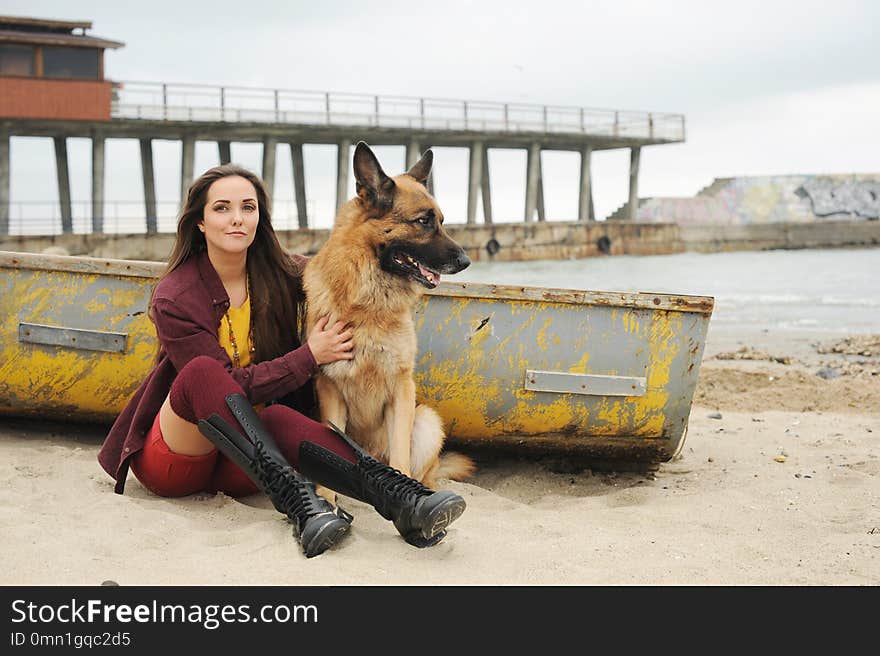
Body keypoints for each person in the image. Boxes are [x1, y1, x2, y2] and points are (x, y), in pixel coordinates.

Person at [98, 164, 466, 558]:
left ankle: (399, 499)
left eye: (248, 207)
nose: (237, 218)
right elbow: (228, 387)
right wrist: (309, 356)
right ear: (200, 223)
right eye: (222, 208)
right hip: (179, 461)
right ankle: (300, 504)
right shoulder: (176, 295)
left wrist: (378, 282)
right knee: (203, 374)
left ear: (260, 217)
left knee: (276, 417)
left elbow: (335, 270)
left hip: (246, 465)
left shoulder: (279, 272)